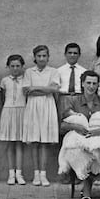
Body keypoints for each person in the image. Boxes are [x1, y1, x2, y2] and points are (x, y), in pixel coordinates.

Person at [58, 70, 100, 199]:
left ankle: (87, 187)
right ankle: (86, 184)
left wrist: (99, 131)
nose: (91, 86)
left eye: (94, 83)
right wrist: (76, 127)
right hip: (79, 136)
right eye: (88, 82)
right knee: (82, 149)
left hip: (97, 136)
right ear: (82, 84)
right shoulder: (73, 101)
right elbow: (62, 126)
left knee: (97, 147)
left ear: (98, 85)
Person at [23, 45, 60, 187]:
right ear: (35, 57)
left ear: (48, 57)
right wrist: (45, 90)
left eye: (44, 56)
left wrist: (35, 88)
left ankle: (43, 174)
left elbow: (55, 89)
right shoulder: (29, 72)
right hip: (33, 106)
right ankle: (36, 174)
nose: (42, 58)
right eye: (39, 56)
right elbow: (27, 91)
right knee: (34, 141)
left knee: (44, 141)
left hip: (47, 106)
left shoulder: (53, 71)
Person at [0, 54, 27, 185]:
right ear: (8, 67)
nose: (15, 69)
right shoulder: (5, 81)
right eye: (12, 66)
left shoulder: (26, 79)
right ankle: (11, 174)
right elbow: (2, 98)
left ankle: (19, 173)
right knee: (10, 144)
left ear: (22, 67)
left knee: (19, 144)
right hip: (8, 111)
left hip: (22, 111)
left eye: (18, 66)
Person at [57, 43, 87, 120]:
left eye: (75, 53)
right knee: (63, 122)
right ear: (65, 54)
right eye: (70, 53)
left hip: (79, 98)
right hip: (64, 98)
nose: (72, 55)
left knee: (79, 121)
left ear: (79, 55)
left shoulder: (84, 71)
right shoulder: (58, 71)